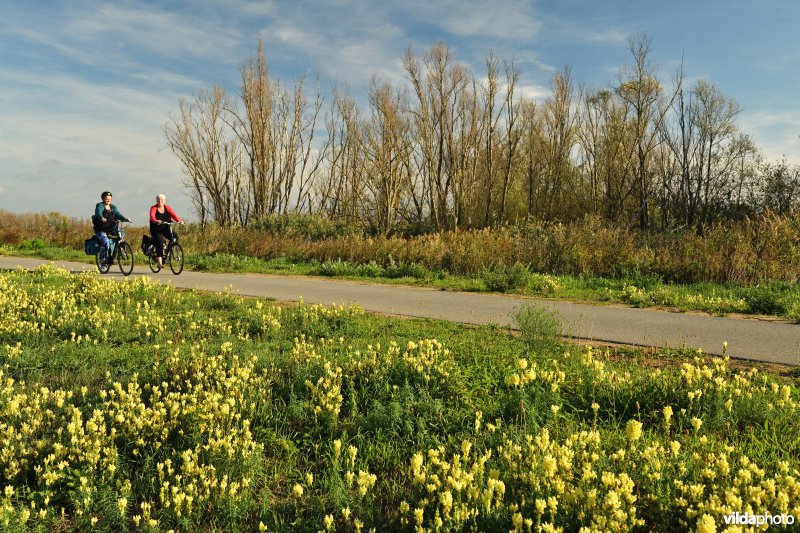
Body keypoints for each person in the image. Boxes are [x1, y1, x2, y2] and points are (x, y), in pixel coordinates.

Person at [92, 191, 130, 264]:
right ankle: (102, 258)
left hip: (110, 227)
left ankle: (120, 248)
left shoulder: (113, 207)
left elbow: (118, 215)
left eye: (110, 199)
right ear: (103, 199)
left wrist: (125, 219)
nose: (108, 200)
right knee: (106, 243)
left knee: (121, 232)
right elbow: (98, 213)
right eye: (107, 198)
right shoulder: (100, 205)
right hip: (101, 229)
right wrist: (101, 218)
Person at [149, 194, 184, 268]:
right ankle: (159, 263)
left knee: (174, 238)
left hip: (165, 228)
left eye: (161, 200)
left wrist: (179, 221)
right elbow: (152, 216)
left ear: (164, 201)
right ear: (156, 200)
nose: (160, 201)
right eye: (158, 200)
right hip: (156, 229)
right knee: (160, 243)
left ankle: (168, 254)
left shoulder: (167, 207)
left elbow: (174, 215)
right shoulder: (153, 208)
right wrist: (156, 221)